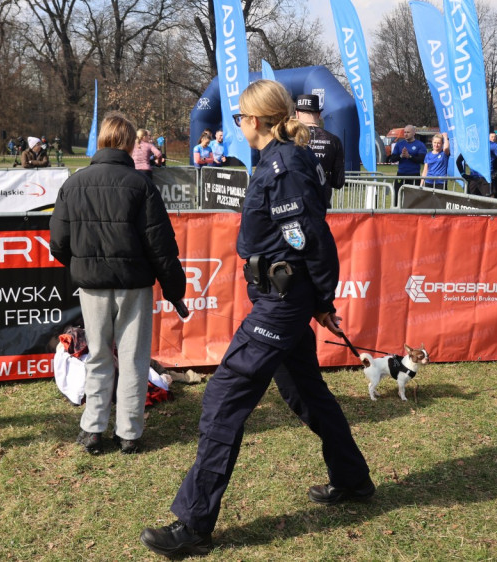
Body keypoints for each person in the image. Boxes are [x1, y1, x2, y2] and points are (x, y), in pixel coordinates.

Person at [140, 80, 372, 558]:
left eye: (242, 117)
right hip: (280, 297)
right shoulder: (274, 160)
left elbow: (312, 237)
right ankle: (353, 481)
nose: (238, 124)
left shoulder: (284, 165)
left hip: (281, 303)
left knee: (223, 401)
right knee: (307, 393)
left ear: (259, 121)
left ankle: (193, 525)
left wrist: (321, 299)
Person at [50, 112, 186, 455]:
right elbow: (161, 245)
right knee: (133, 359)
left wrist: (84, 265)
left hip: (93, 286)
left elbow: (58, 243)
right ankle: (129, 433)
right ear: (129, 144)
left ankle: (93, 429)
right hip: (133, 285)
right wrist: (174, 289)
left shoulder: (74, 184)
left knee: (98, 356)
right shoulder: (142, 185)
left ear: (100, 142)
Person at [295, 94, 345, 205]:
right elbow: (338, 182)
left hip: (295, 205)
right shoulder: (334, 140)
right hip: (322, 203)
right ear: (319, 114)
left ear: (297, 114)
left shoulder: (289, 139)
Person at [386, 125, 427, 197]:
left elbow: (422, 159)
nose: (405, 134)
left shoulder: (420, 145)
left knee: (413, 197)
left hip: (414, 175)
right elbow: (392, 159)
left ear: (414, 133)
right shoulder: (399, 144)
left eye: (408, 132)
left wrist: (409, 156)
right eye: (404, 132)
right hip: (401, 174)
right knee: (397, 196)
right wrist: (401, 156)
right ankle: (397, 208)